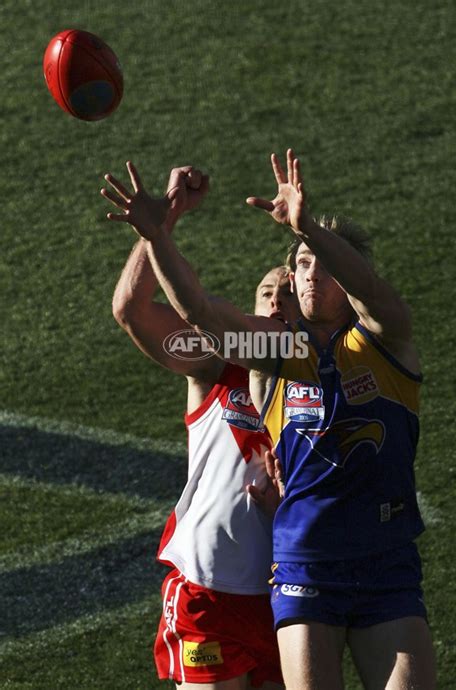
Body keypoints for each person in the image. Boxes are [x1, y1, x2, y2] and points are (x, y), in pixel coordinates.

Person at [110, 151, 437, 690]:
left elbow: (375, 298)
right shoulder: (280, 351)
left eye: (323, 265)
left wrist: (308, 227)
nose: (307, 276)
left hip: (387, 560)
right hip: (305, 567)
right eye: (301, 263)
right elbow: (199, 311)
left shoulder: (388, 340)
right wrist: (158, 234)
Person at [101, 161, 299, 689]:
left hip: (291, 595)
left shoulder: (325, 377)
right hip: (208, 595)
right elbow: (132, 310)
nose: (276, 301)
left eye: (290, 293)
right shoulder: (214, 363)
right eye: (265, 294)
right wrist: (163, 224)